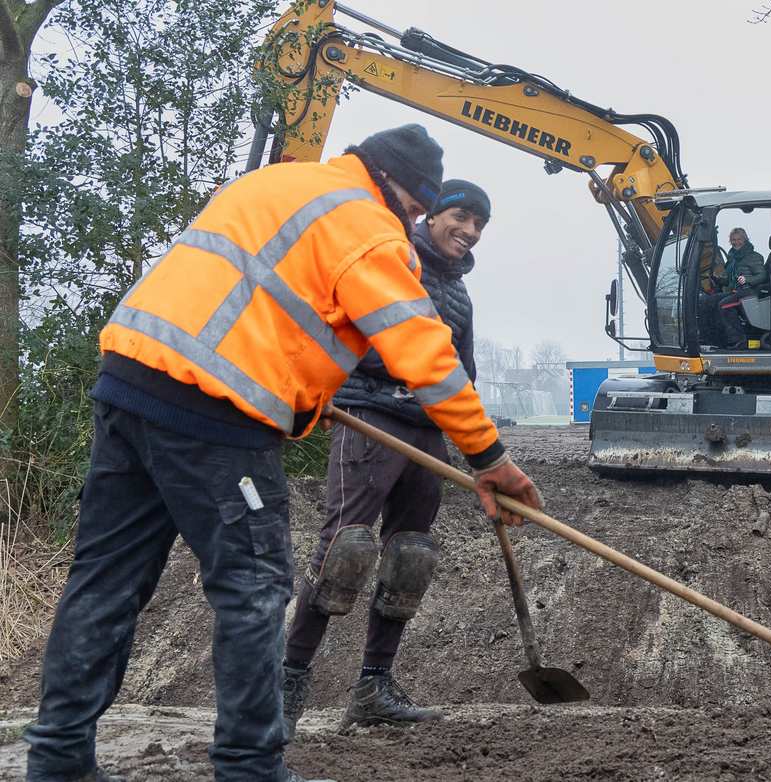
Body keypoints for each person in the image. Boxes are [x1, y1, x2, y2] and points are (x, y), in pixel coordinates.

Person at [23, 124, 542, 782]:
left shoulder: (278, 184)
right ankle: (251, 768)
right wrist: (489, 457)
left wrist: (299, 383)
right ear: (397, 190)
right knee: (255, 587)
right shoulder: (367, 226)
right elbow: (427, 357)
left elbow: (254, 299)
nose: (412, 223)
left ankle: (59, 759)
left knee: (106, 581)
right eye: (417, 209)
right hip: (214, 411)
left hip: (129, 384)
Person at [281, 179, 491, 738]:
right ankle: (286, 686)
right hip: (368, 419)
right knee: (344, 552)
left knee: (410, 558)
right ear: (433, 216)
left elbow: (460, 375)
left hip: (426, 431)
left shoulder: (460, 293)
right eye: (462, 217)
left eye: (479, 225)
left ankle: (373, 688)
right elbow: (347, 328)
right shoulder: (395, 259)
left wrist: (484, 457)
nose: (469, 232)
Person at [697, 227, 768, 348]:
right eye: (733, 240)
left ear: (745, 239)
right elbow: (730, 280)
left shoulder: (754, 257)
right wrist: (718, 280)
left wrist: (747, 280)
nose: (736, 242)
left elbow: (762, 275)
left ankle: (739, 340)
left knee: (724, 305)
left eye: (739, 239)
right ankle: (709, 337)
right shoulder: (732, 258)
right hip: (735, 291)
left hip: (748, 292)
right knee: (705, 301)